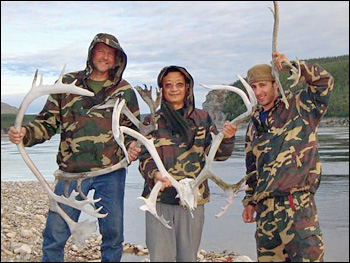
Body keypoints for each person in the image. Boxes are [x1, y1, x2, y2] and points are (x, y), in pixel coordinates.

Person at [8, 33, 142, 262]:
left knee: (113, 235)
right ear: (91, 53)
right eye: (101, 51)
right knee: (55, 234)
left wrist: (133, 148)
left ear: (117, 59)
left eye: (111, 53)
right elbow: (47, 123)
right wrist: (26, 134)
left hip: (111, 173)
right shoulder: (67, 85)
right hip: (71, 174)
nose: (105, 57)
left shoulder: (125, 90)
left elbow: (132, 130)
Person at [138, 65, 238, 262]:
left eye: (179, 84)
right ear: (162, 89)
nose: (174, 89)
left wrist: (227, 139)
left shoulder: (202, 119)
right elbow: (144, 159)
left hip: (192, 200)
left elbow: (216, 155)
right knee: (159, 257)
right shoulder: (152, 121)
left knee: (188, 257)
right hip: (159, 200)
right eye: (168, 85)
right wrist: (155, 176)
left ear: (187, 88)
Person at [241, 51, 334, 262]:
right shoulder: (253, 125)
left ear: (275, 84)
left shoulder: (300, 106)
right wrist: (249, 202)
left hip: (298, 208)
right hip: (265, 214)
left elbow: (325, 82)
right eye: (254, 87)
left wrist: (294, 67)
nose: (258, 91)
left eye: (263, 85)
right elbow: (251, 170)